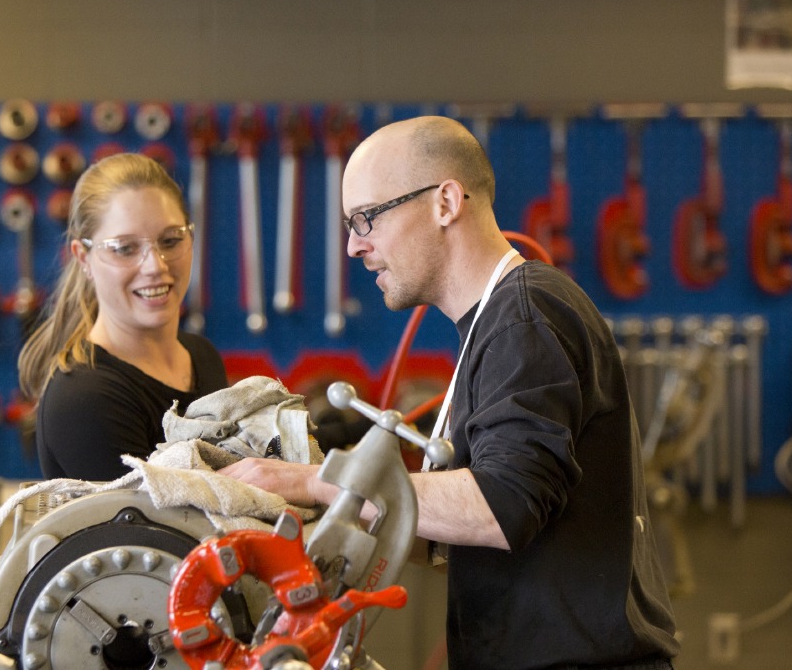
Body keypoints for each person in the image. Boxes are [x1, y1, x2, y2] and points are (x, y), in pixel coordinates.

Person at [221, 116, 679, 669]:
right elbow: (454, 533)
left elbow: (502, 506)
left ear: (445, 202)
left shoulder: (524, 316)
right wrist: (320, 510)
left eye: (365, 219)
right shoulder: (497, 321)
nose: (352, 247)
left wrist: (312, 481)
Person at [18, 153, 228, 481]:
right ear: (83, 257)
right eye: (125, 248)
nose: (155, 266)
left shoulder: (203, 358)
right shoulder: (85, 399)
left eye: (170, 240)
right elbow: (158, 532)